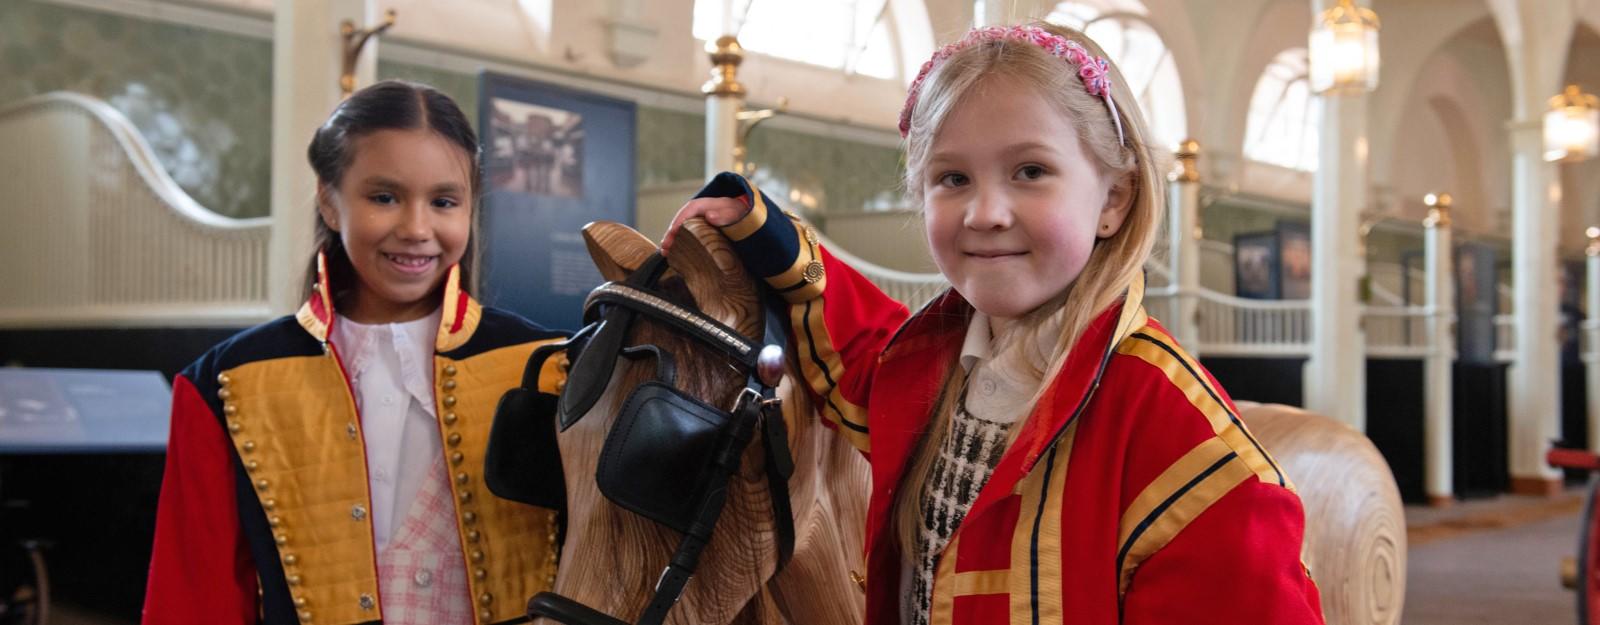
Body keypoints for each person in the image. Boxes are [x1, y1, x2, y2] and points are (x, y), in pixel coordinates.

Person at [667, 23, 1325, 625]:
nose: (984, 212)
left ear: (1114, 199)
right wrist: (768, 237)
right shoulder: (941, 365)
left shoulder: (1177, 433)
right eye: (952, 177)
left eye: (1030, 172)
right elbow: (870, 356)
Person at [143, 80, 567, 625]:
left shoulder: (544, 368)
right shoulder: (226, 383)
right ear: (330, 200)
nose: (416, 229)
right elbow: (194, 596)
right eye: (384, 197)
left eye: (443, 201)